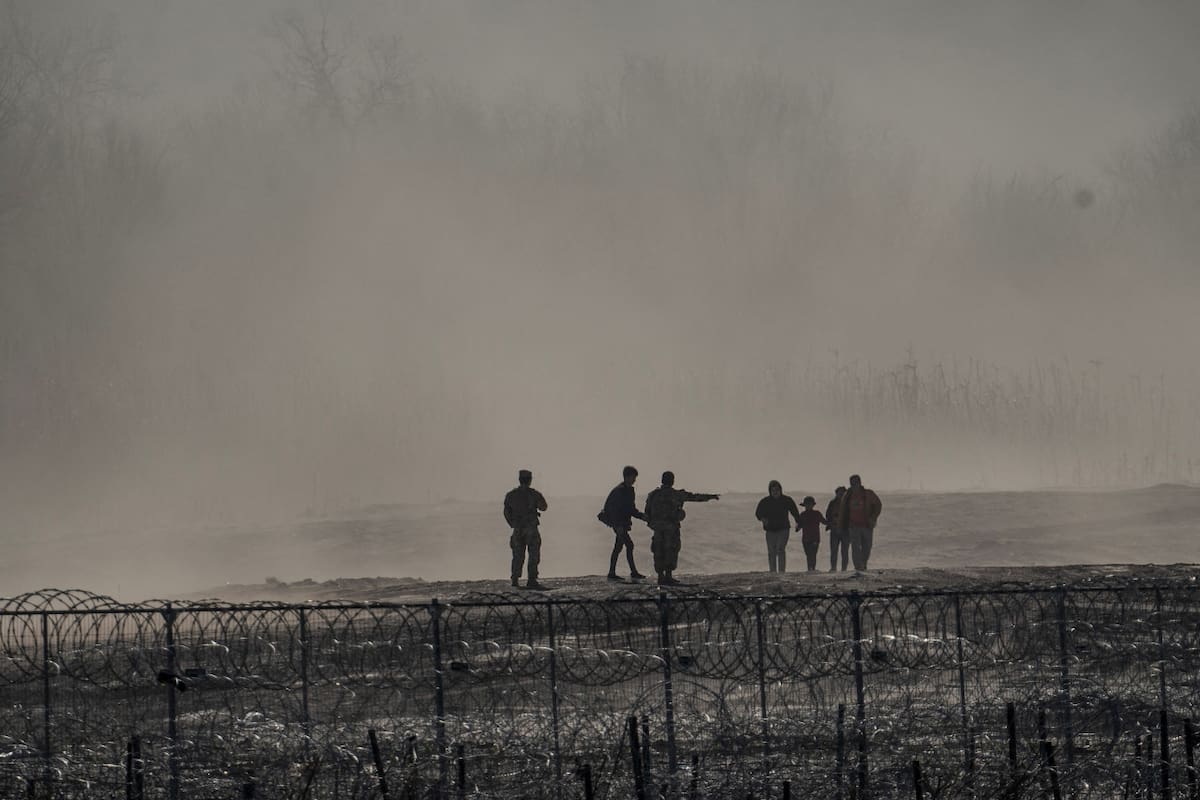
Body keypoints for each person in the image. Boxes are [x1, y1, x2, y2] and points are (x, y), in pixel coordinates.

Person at [644, 471, 719, 586]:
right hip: (671, 528)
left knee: (658, 551)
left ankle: (661, 577)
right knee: (671, 550)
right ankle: (668, 577)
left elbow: (647, 512)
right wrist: (711, 497)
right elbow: (695, 497)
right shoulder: (676, 494)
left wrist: (652, 523)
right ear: (672, 481)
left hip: (658, 528)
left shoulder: (653, 494)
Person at [503, 469, 548, 589]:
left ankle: (515, 579)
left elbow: (506, 512)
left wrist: (512, 523)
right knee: (533, 554)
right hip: (531, 528)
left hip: (517, 529)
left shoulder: (511, 495)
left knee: (517, 554)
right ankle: (531, 579)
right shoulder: (534, 494)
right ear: (530, 480)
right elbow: (544, 507)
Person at [602, 466, 648, 582]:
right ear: (627, 476)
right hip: (618, 523)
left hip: (622, 523)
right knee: (629, 545)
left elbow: (631, 509)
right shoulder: (619, 490)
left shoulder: (629, 490)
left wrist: (642, 516)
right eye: (633, 477)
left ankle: (613, 572)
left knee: (619, 546)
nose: (634, 480)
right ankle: (632, 572)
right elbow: (612, 510)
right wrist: (617, 526)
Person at [753, 480, 802, 573]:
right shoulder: (765, 501)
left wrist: (798, 523)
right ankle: (773, 571)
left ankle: (781, 571)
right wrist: (763, 519)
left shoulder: (787, 500)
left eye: (777, 490)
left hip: (783, 529)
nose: (775, 492)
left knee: (780, 549)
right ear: (770, 491)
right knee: (771, 551)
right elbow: (758, 513)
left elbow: (795, 512)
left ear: (781, 490)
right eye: (773, 490)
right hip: (770, 530)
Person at [836, 474, 882, 571]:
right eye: (852, 484)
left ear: (859, 483)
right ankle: (858, 567)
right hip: (853, 526)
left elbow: (878, 505)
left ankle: (863, 563)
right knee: (855, 547)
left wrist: (873, 518)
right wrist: (840, 525)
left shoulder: (868, 494)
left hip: (867, 525)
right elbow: (842, 511)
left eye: (855, 483)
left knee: (867, 547)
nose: (854, 486)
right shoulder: (847, 495)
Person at [797, 496, 827, 572]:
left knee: (813, 554)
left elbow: (824, 522)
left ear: (813, 505)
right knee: (808, 554)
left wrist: (831, 523)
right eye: (807, 504)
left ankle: (812, 568)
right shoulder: (802, 514)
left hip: (815, 538)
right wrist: (797, 528)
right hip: (806, 538)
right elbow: (799, 525)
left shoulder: (817, 513)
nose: (808, 506)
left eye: (809, 504)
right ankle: (810, 568)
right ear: (804, 505)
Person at [825, 486, 849, 572]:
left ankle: (844, 569)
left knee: (844, 551)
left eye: (843, 493)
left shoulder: (848, 503)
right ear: (836, 493)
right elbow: (828, 514)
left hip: (845, 530)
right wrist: (830, 523)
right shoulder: (832, 503)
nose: (841, 495)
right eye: (839, 493)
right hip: (834, 529)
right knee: (834, 550)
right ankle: (833, 567)